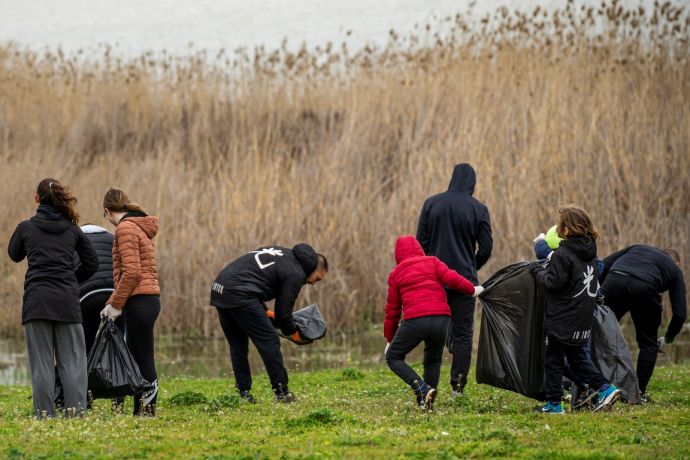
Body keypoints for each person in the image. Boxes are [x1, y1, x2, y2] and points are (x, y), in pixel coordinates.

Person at [7, 178, 98, 418]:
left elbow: (14, 255)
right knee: (73, 363)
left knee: (41, 364)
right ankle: (76, 414)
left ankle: (44, 415)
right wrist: (72, 280)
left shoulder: (26, 228)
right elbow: (92, 263)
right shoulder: (72, 229)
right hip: (67, 303)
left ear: (37, 199)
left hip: (37, 303)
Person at [529, 205, 620, 414]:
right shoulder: (591, 253)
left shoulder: (563, 254)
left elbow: (553, 283)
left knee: (553, 360)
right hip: (581, 317)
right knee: (578, 359)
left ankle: (554, 404)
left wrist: (536, 270)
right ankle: (605, 388)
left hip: (561, 317)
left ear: (567, 229)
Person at [210, 244, 328, 403]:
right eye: (317, 278)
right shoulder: (296, 273)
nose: (314, 283)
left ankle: (243, 393)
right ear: (313, 268)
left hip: (220, 288)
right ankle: (282, 392)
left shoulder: (282, 253)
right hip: (240, 293)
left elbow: (254, 279)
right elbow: (283, 314)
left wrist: (266, 312)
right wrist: (294, 333)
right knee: (270, 341)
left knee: (238, 345)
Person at [416, 163, 493, 397]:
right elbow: (486, 249)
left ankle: (429, 386)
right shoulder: (479, 209)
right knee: (463, 333)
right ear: (472, 183)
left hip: (434, 281)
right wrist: (471, 265)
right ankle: (458, 387)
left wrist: (430, 268)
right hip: (464, 281)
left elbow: (420, 244)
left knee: (433, 331)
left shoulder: (431, 203)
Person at [383, 236, 483, 411]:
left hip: (415, 321)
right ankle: (427, 403)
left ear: (397, 255)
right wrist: (472, 289)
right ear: (419, 249)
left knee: (393, 357)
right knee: (433, 361)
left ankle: (422, 389)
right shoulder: (433, 262)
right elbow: (453, 279)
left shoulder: (396, 273)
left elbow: (392, 311)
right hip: (441, 320)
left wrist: (390, 339)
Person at [100, 188, 161, 416]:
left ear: (107, 211)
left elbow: (132, 272)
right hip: (147, 299)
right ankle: (141, 410)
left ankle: (147, 411)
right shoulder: (137, 226)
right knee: (138, 356)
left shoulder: (125, 228)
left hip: (139, 301)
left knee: (143, 359)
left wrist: (115, 303)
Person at [599, 245, 686, 403]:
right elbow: (680, 314)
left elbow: (603, 264)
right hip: (645, 288)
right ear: (676, 263)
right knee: (648, 344)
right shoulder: (675, 270)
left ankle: (591, 387)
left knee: (598, 334)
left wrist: (598, 292)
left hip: (614, 281)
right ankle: (637, 395)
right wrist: (668, 338)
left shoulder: (638, 248)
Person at [78, 224, 115, 353]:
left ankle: (88, 362)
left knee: (86, 342)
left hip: (87, 295)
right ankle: (118, 364)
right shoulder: (113, 238)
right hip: (114, 294)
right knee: (118, 341)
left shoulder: (75, 240)